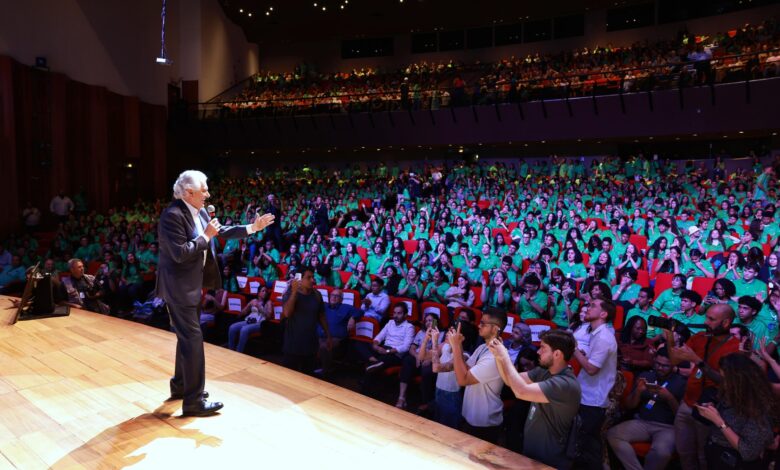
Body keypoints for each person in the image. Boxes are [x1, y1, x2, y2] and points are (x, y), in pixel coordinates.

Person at [156, 170, 275, 417]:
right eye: (204, 190)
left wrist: (253, 227)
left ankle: (181, 386)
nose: (208, 194)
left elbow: (222, 230)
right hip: (178, 289)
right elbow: (180, 253)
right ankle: (193, 401)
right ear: (189, 193)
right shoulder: (172, 216)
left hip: (191, 286)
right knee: (193, 340)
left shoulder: (196, 212)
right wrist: (205, 236)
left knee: (186, 338)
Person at [487, 329, 581, 469]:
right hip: (532, 453)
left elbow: (520, 391)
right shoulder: (544, 371)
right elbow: (511, 381)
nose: (538, 352)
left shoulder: (565, 384)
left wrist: (504, 356)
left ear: (557, 354)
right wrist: (498, 357)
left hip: (549, 460)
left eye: (543, 348)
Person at [667, 303, 740, 470]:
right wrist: (670, 338)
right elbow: (674, 361)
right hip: (687, 403)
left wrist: (697, 361)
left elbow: (727, 382)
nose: (706, 322)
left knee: (704, 455)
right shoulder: (700, 337)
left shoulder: (735, 347)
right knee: (684, 452)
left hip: (710, 409)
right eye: (706, 317)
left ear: (726, 323)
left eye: (711, 319)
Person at [607, 347, 687, 470]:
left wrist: (669, 398)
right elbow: (629, 406)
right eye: (657, 364)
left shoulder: (681, 382)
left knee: (661, 452)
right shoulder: (646, 376)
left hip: (667, 427)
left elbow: (682, 416)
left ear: (673, 365)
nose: (660, 368)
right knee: (613, 434)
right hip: (642, 421)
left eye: (665, 365)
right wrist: (638, 392)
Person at [695, 353, 775, 469]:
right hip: (717, 456)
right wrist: (714, 408)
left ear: (741, 380)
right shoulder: (735, 394)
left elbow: (749, 452)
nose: (724, 383)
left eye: (727, 379)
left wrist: (719, 421)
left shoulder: (758, 409)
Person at [572, 297, 619, 469]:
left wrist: (575, 349)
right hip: (587, 395)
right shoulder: (596, 333)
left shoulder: (604, 337)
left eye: (592, 306)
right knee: (584, 445)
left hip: (592, 400)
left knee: (588, 449)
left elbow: (592, 369)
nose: (587, 308)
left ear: (604, 314)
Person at [449, 307, 506, 444]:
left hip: (484, 423)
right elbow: (465, 368)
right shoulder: (483, 347)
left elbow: (463, 379)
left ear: (495, 329)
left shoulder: (494, 356)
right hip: (473, 416)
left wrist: (456, 346)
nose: (478, 326)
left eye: (483, 324)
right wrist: (460, 345)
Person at [281, 267, 331, 375]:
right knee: (288, 377)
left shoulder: (317, 295)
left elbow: (321, 316)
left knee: (308, 378)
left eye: (313, 277)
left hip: (310, 346)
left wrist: (328, 335)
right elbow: (287, 313)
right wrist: (294, 292)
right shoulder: (290, 293)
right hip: (292, 345)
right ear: (300, 279)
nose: (313, 280)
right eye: (309, 277)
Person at [317, 288, 363, 377]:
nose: (333, 297)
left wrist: (353, 318)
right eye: (332, 295)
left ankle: (325, 371)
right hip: (319, 336)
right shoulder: (324, 305)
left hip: (335, 339)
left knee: (324, 346)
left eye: (337, 296)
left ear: (341, 299)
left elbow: (360, 311)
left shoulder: (346, 307)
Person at [228, 285, 273, 353]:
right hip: (249, 320)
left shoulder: (268, 302)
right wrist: (249, 305)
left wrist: (259, 307)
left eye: (266, 291)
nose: (265, 293)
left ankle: (239, 352)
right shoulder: (254, 300)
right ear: (258, 293)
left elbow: (269, 316)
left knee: (244, 329)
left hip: (260, 323)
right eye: (263, 291)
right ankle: (230, 350)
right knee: (232, 327)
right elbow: (242, 313)